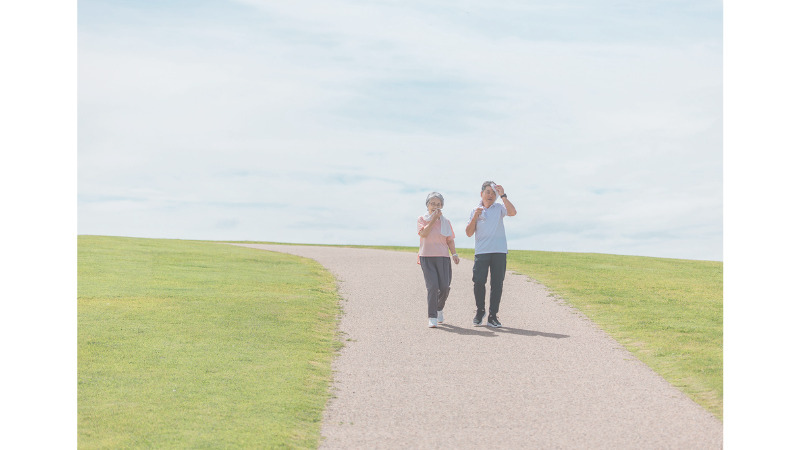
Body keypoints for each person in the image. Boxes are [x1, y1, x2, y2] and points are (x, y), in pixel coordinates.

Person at [465, 181, 517, 327]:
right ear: (481, 193)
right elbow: (469, 233)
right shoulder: (475, 209)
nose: (490, 195)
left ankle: (493, 316)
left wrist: (503, 196)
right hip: (482, 252)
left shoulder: (500, 207)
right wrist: (475, 217)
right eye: (488, 192)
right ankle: (480, 311)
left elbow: (513, 212)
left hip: (499, 251)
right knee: (479, 282)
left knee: (497, 284)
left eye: (493, 193)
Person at [418, 192, 460, 328]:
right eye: (432, 203)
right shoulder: (422, 219)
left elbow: (450, 240)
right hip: (426, 257)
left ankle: (439, 308)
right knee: (432, 286)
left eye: (438, 204)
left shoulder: (446, 222)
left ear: (442, 206)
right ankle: (432, 316)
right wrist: (432, 220)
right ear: (427, 205)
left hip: (443, 257)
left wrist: (454, 254)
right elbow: (424, 233)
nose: (435, 206)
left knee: (444, 287)